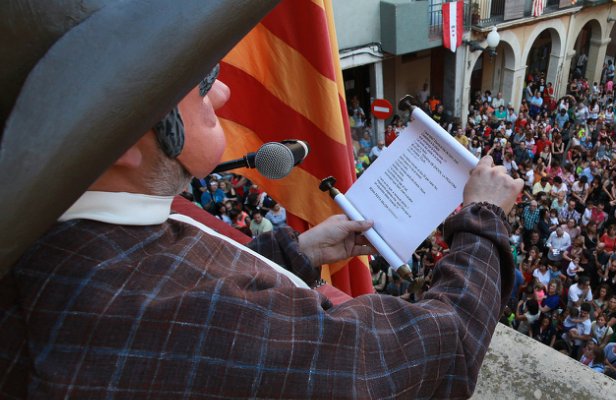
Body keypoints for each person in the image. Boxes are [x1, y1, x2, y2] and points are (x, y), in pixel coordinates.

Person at [0, 11, 525, 394]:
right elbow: (438, 355)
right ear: (117, 140)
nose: (222, 95)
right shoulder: (155, 314)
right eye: (195, 84)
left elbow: (195, 289)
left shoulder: (76, 237)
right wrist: (483, 219)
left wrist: (298, 254)